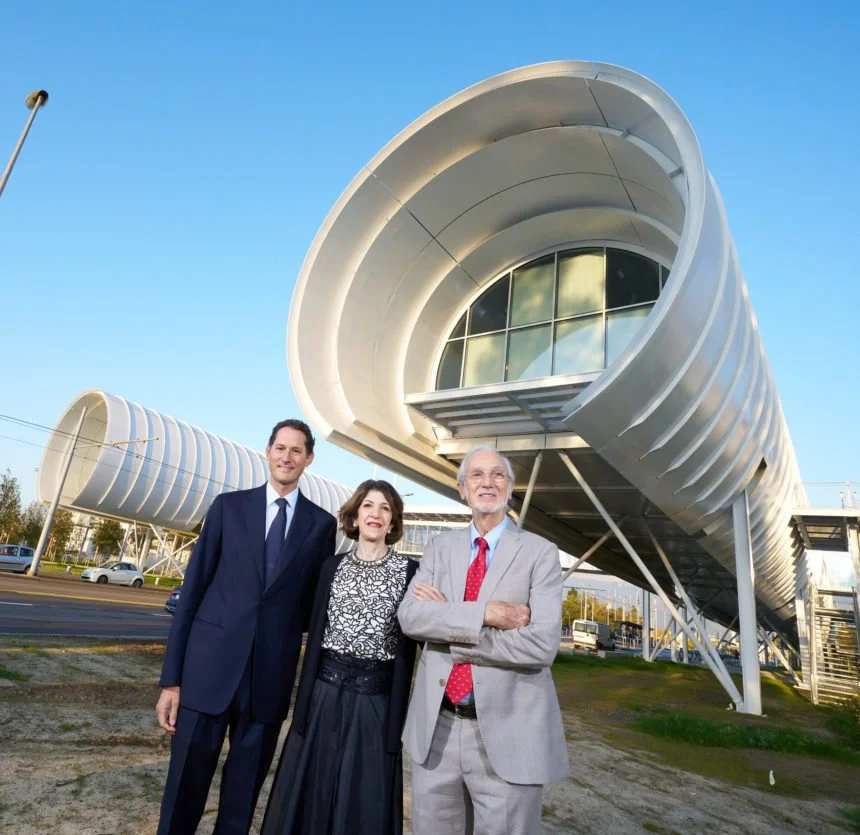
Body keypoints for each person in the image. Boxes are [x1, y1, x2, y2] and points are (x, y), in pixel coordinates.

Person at [155, 419, 337, 835]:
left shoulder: (321, 526)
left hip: (267, 685)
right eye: (280, 448)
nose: (286, 457)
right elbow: (192, 593)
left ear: (308, 459)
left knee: (241, 805)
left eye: (296, 451)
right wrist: (172, 681)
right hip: (206, 676)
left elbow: (316, 607)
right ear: (268, 451)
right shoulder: (227, 508)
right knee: (183, 791)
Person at [398, 445, 569, 835]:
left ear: (510, 488)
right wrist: (487, 614)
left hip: (509, 733)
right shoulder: (440, 549)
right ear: (462, 489)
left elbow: (541, 645)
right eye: (476, 475)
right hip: (436, 730)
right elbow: (411, 617)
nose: (487, 482)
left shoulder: (541, 554)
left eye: (497, 475)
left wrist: (450, 631)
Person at [261, 479, 418, 835]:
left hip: (375, 703)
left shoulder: (410, 573)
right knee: (311, 790)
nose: (375, 514)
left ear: (392, 522)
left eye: (384, 508)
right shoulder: (331, 568)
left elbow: (411, 648)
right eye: (367, 506)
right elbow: (314, 635)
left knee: (362, 797)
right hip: (324, 695)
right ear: (355, 516)